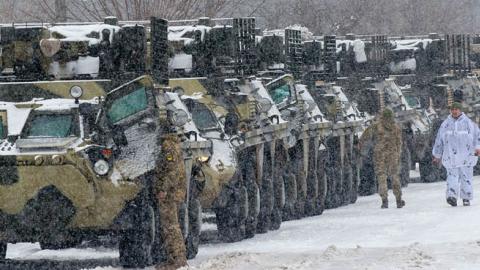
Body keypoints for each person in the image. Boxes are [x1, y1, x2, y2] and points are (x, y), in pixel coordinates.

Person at [432, 102, 480, 207]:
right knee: (452, 177)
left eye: (456, 109)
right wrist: (437, 155)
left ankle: (466, 198)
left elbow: (477, 136)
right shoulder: (445, 124)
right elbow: (439, 140)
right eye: (452, 109)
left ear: (460, 110)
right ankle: (451, 197)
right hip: (451, 156)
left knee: (466, 177)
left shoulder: (469, 123)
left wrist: (477, 148)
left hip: (466, 155)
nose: (454, 111)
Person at [155, 134, 188, 270]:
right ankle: (174, 258)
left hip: (170, 193)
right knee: (170, 225)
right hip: (173, 191)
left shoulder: (168, 145)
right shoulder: (173, 144)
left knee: (170, 226)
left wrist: (163, 189)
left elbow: (172, 171)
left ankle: (177, 259)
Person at [361, 108, 405, 208]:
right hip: (393, 154)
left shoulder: (376, 126)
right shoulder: (396, 127)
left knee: (381, 177)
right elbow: (399, 142)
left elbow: (365, 137)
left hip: (379, 155)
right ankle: (398, 199)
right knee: (394, 176)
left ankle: (384, 201)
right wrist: (398, 153)